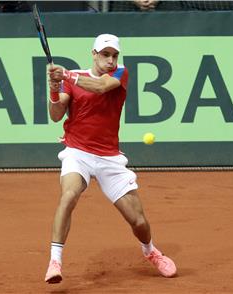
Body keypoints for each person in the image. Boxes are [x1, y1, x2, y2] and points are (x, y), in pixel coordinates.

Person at [44, 33, 177, 284]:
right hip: (77, 151)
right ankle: (55, 260)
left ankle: (151, 251)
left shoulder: (120, 74)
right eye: (105, 55)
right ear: (94, 54)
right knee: (69, 194)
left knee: (137, 220)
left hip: (109, 157)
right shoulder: (72, 80)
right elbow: (55, 114)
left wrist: (67, 75)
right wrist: (53, 90)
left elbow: (101, 87)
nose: (111, 60)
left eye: (114, 55)